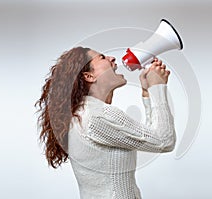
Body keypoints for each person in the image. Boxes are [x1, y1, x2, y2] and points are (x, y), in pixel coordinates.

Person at [35, 46, 176, 199]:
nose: (112, 58)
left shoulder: (83, 113)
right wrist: (158, 87)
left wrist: (147, 92)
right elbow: (164, 140)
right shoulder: (98, 115)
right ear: (89, 76)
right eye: (102, 57)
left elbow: (150, 137)